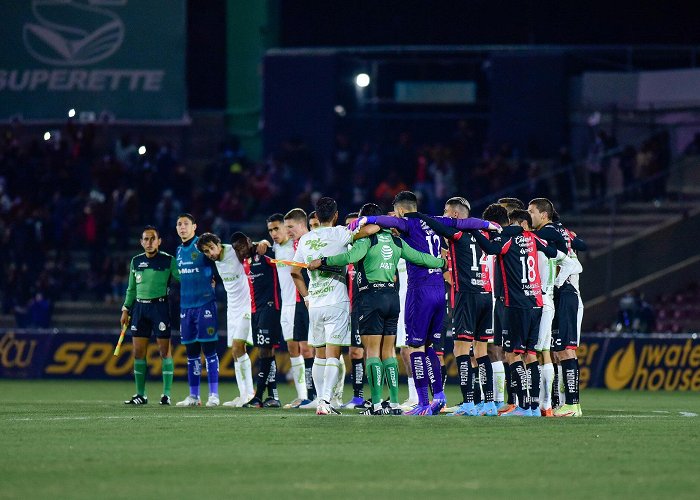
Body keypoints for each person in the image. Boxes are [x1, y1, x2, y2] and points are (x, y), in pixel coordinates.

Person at [353, 191, 500, 415]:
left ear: (401, 209)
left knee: (415, 347)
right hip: (439, 288)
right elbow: (466, 222)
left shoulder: (407, 222)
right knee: (430, 347)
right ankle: (439, 396)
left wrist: (367, 219)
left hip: (419, 289)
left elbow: (387, 220)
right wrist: (488, 224)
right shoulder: (435, 220)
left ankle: (422, 403)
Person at [309, 202, 446, 415]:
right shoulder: (395, 240)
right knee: (388, 353)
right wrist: (440, 263)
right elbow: (419, 257)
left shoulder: (367, 239)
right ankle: (393, 402)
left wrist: (324, 260)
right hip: (392, 297)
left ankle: (375, 404)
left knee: (372, 352)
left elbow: (349, 258)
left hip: (370, 297)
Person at [411, 197, 499, 417]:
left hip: (466, 296)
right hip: (486, 295)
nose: (443, 215)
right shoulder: (483, 233)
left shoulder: (458, 233)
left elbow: (438, 226)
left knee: (460, 351)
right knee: (481, 352)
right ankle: (488, 404)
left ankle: (468, 403)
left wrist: (419, 216)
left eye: (446, 212)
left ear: (456, 216)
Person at [470, 209, 556, 416]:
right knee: (531, 355)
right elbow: (553, 251)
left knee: (513, 354)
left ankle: (525, 406)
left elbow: (490, 249)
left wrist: (474, 231)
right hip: (536, 302)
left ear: (518, 224)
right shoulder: (535, 239)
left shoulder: (510, 240)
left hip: (516, 305)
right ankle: (535, 408)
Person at [290, 197, 362, 415]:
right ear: (336, 215)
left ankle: (320, 400)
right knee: (333, 354)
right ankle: (325, 401)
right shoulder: (341, 233)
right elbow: (365, 233)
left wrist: (306, 297)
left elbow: (294, 271)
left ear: (316, 215)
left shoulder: (305, 240)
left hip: (315, 303)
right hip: (336, 301)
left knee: (318, 355)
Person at [525, 200, 581, 416]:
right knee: (559, 352)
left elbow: (574, 263)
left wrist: (557, 283)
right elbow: (581, 245)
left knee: (565, 350)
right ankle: (566, 403)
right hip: (560, 295)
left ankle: (572, 404)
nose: (529, 216)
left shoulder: (548, 231)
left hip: (565, 295)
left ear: (544, 214)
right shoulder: (560, 231)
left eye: (532, 212)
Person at [121, 226, 179, 405]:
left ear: (159, 241)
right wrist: (125, 309)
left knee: (164, 352)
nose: (149, 242)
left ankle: (166, 395)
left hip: (159, 308)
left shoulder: (168, 260)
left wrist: (205, 280)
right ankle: (141, 394)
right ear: (141, 242)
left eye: (152, 239)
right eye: (145, 239)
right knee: (138, 353)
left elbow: (183, 278)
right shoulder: (136, 261)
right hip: (139, 309)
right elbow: (131, 289)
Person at [197, 232, 255, 407]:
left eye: (211, 248)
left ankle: (250, 394)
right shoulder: (215, 261)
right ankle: (242, 394)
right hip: (233, 309)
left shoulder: (235, 251)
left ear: (219, 243)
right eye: (206, 252)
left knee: (239, 347)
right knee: (235, 352)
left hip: (247, 305)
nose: (210, 254)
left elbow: (253, 247)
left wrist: (264, 242)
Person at [231, 232, 284, 408]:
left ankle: (258, 396)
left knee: (264, 352)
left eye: (242, 247)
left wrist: (265, 243)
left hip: (270, 308)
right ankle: (273, 396)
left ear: (248, 241)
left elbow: (280, 253)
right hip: (255, 311)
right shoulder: (245, 260)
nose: (240, 252)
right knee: (267, 352)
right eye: (236, 250)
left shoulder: (265, 253)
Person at [174, 214, 221, 407]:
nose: (182, 227)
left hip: (205, 305)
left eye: (186, 224)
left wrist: (214, 280)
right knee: (191, 352)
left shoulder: (202, 246)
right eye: (179, 224)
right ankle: (194, 396)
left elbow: (219, 260)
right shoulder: (178, 250)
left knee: (209, 350)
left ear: (194, 226)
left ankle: (214, 395)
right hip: (186, 308)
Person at [263, 213, 309, 407]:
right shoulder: (276, 247)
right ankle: (303, 395)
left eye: (277, 229)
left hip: (302, 302)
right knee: (292, 349)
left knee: (308, 349)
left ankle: (319, 394)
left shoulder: (297, 244)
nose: (274, 233)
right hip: (286, 305)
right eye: (270, 230)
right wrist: (263, 242)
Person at [283, 208, 317, 407]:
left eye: (290, 227)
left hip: (317, 300)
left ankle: (331, 394)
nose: (287, 231)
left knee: (322, 348)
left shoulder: (314, 241)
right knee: (304, 349)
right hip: (300, 302)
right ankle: (310, 395)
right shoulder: (295, 244)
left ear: (302, 225)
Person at [342, 211, 366, 409]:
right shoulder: (340, 249)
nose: (350, 228)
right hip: (341, 307)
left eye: (354, 225)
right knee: (347, 353)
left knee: (358, 352)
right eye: (347, 225)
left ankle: (359, 396)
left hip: (360, 308)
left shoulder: (364, 246)